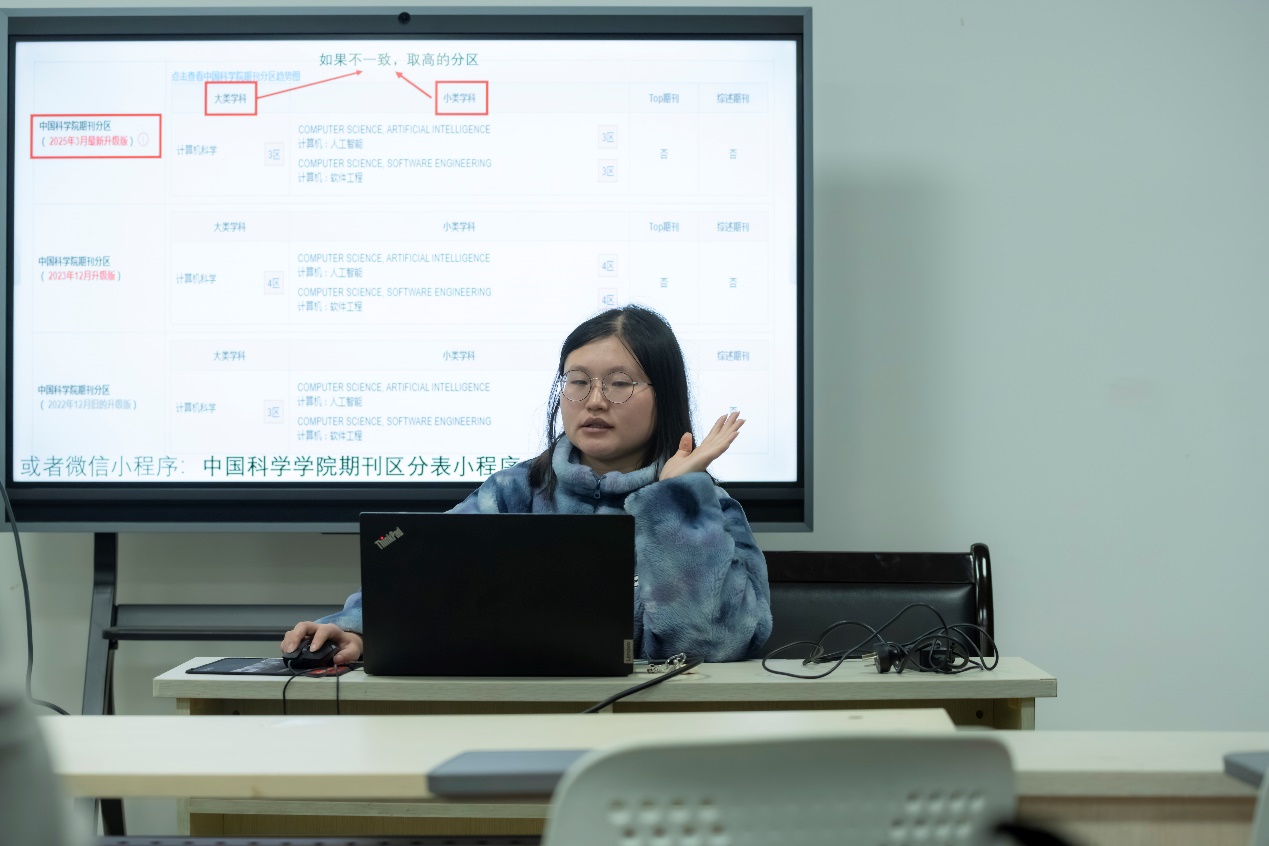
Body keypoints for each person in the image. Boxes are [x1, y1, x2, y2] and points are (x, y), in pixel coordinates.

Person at [282, 304, 772, 664]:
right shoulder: (513, 492)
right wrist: (355, 631)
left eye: (620, 383)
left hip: (657, 724)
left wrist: (675, 499)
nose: (594, 401)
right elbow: (419, 577)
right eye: (577, 381)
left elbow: (715, 646)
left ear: (664, 395)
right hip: (515, 710)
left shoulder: (709, 508)